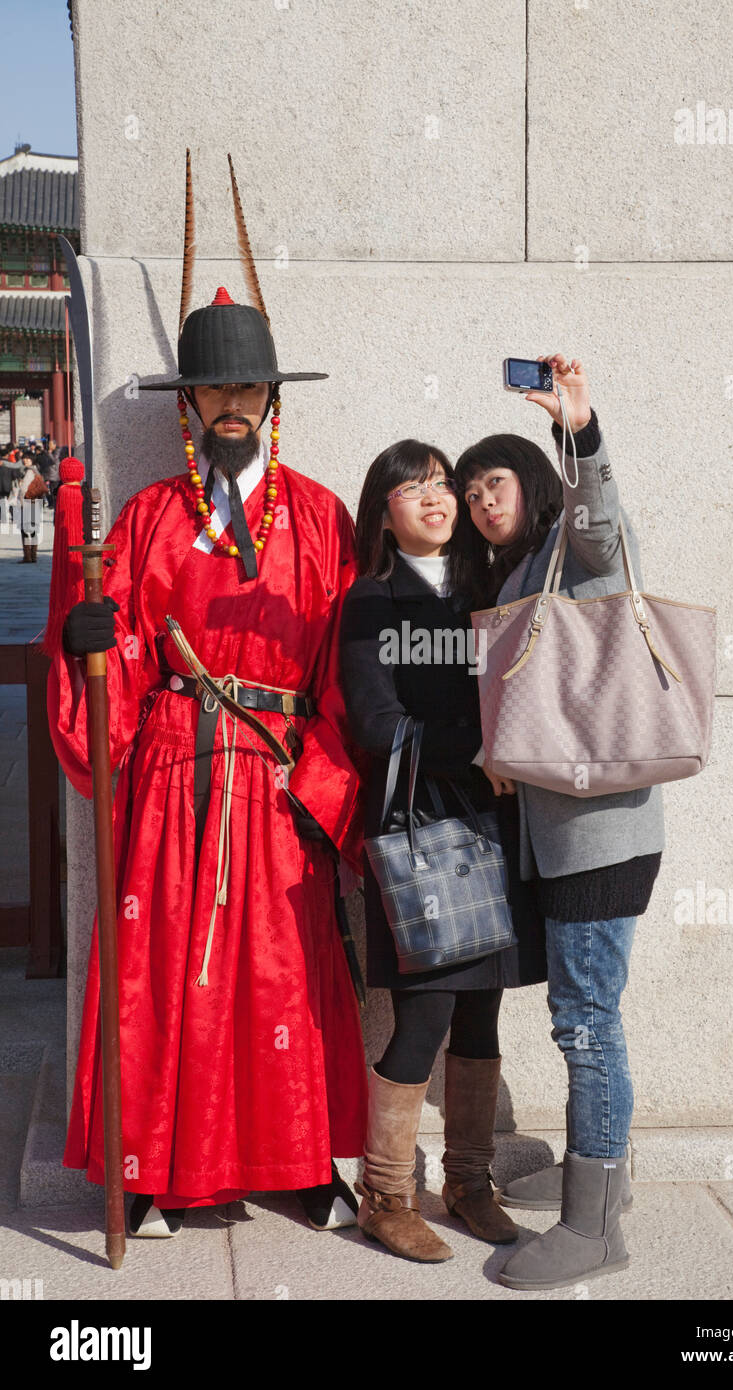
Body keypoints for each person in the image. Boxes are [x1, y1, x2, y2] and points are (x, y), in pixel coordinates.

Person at [47, 165, 367, 1240]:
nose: (231, 410)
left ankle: (298, 1162)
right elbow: (118, 672)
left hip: (277, 774)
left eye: (246, 394)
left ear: (272, 401)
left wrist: (320, 787)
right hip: (175, 770)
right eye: (211, 395)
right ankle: (149, 1170)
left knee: (281, 974)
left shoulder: (321, 520)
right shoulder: (141, 520)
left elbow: (348, 674)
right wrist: (90, 647)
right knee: (164, 971)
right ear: (186, 405)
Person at [450, 352, 664, 1291]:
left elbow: (604, 527)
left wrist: (578, 429)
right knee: (587, 1015)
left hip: (598, 832)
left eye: (494, 482)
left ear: (532, 482)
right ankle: (604, 1185)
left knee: (584, 1021)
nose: (481, 499)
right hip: (568, 832)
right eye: (469, 490)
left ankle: (594, 1227)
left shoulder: (572, 548)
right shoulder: (518, 572)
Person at [339, 439, 546, 1263]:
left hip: (498, 827)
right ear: (382, 508)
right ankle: (385, 1195)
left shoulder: (486, 586)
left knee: (484, 1009)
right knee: (422, 1014)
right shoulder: (371, 600)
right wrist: (478, 749)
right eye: (411, 487)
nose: (435, 497)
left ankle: (468, 1182)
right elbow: (375, 725)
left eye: (442, 484)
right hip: (424, 829)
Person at [18, 451, 46, 561]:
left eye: (28, 459)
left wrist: (21, 503)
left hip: (28, 504)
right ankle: (33, 555)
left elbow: (24, 490)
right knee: (33, 530)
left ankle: (27, 556)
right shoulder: (37, 471)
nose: (25, 460)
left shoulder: (29, 472)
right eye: (24, 458)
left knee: (24, 530)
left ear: (32, 460)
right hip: (36, 503)